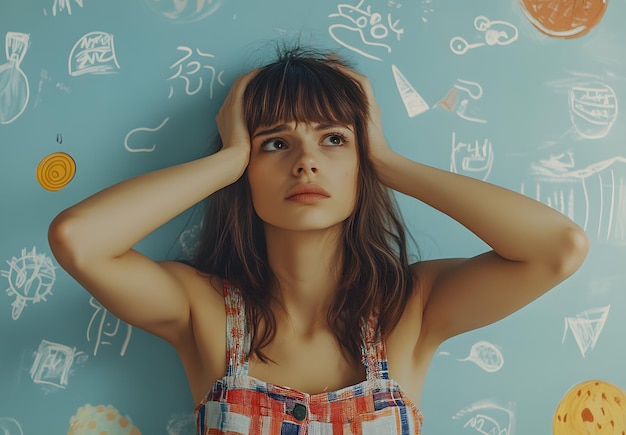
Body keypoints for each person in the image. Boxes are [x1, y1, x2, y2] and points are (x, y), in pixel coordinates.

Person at [48, 45, 589, 435]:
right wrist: (227, 160)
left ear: (361, 159)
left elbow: (559, 248)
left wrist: (390, 163)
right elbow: (78, 239)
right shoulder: (200, 306)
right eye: (276, 143)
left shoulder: (414, 305)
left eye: (333, 139)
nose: (306, 161)